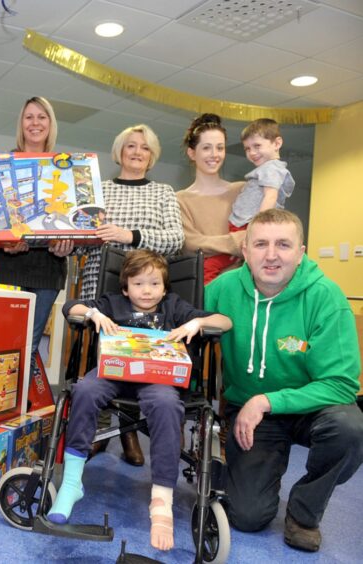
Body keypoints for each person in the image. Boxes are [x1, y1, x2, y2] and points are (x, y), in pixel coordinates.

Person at [48, 250, 232, 552]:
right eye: (138, 284)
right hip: (113, 373)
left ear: (164, 287)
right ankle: (71, 483)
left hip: (157, 378)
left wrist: (194, 325)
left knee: (167, 405)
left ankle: (162, 501)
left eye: (155, 284)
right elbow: (72, 307)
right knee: (84, 391)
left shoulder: (173, 307)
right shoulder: (112, 303)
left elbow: (224, 321)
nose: (147, 291)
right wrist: (94, 314)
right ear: (125, 288)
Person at [205, 209, 363, 552]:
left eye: (283, 244)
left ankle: (305, 513)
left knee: (350, 428)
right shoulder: (223, 289)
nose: (272, 255)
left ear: (301, 251)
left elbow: (341, 385)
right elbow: (176, 313)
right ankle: (243, 476)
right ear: (245, 251)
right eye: (260, 244)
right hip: (249, 413)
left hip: (312, 408)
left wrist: (266, 401)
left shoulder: (326, 298)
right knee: (247, 517)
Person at [79, 124, 185, 466]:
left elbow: (175, 239)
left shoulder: (164, 192)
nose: (137, 152)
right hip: (101, 284)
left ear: (152, 156)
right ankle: (100, 429)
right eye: (130, 146)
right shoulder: (99, 190)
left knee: (138, 361)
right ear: (119, 152)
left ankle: (127, 433)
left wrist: (130, 235)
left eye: (144, 147)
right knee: (100, 362)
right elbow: (79, 235)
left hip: (148, 289)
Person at [0, 97, 75, 384]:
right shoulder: (1, 165)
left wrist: (68, 246)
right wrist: (4, 243)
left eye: (42, 117)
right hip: (5, 267)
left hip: (46, 271)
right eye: (29, 117)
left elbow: (71, 221)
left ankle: (17, 416)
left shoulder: (64, 168)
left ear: (50, 124)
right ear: (21, 124)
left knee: (27, 349)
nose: (35, 123)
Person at [176, 113, 245, 284]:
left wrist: (209, 245)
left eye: (220, 148)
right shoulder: (179, 199)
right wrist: (237, 243)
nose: (214, 154)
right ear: (192, 153)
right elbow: (191, 245)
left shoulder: (242, 190)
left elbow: (259, 235)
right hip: (204, 285)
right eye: (206, 148)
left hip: (244, 283)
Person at [229, 118, 295, 234]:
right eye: (247, 149)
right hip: (243, 223)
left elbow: (270, 196)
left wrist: (259, 225)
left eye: (257, 146)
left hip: (250, 224)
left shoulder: (271, 168)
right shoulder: (268, 169)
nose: (252, 152)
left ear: (277, 143)